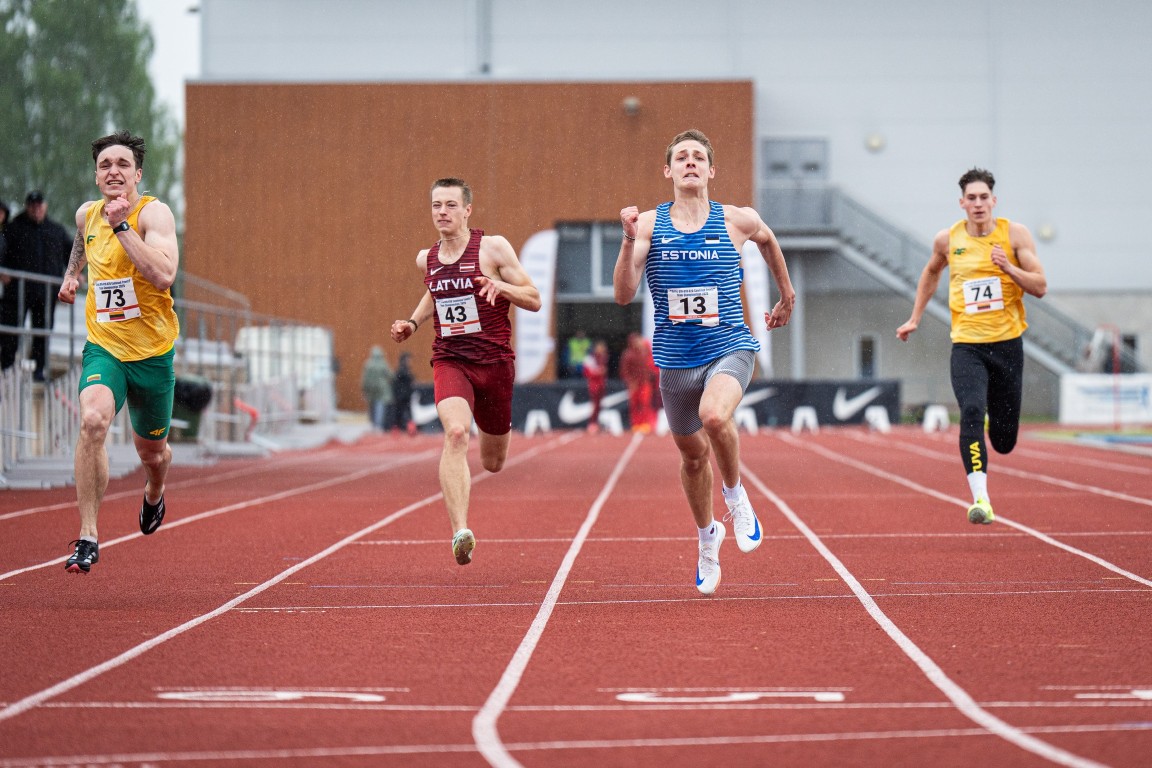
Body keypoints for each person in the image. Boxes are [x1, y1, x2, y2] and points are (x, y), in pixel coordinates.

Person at [614, 129, 795, 595]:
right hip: (676, 361)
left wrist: (786, 295)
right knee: (693, 458)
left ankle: (736, 498)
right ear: (668, 170)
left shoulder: (736, 219)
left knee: (715, 416)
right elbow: (622, 293)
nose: (690, 162)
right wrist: (625, 240)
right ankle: (706, 538)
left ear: (711, 170)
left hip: (730, 346)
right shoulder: (650, 226)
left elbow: (769, 240)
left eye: (698, 157)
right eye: (682, 157)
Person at [391, 177, 541, 566]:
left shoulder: (492, 248)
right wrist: (413, 322)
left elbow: (534, 298)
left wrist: (499, 287)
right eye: (437, 205)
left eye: (451, 205)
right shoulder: (426, 258)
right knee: (455, 433)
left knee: (493, 462)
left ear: (467, 210)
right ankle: (461, 531)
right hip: (451, 360)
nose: (443, 212)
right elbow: (435, 291)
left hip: (494, 365)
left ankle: (482, 466)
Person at [58, 130, 181, 574]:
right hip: (105, 347)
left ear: (137, 175)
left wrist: (122, 226)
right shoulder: (87, 214)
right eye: (106, 165)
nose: (114, 171)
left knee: (153, 454)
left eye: (123, 165)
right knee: (92, 420)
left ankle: (154, 492)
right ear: (96, 176)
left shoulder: (155, 215)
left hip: (151, 354)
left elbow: (164, 275)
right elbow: (80, 239)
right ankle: (88, 535)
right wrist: (71, 275)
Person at [897, 168, 1046, 526]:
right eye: (971, 198)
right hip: (967, 346)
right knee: (971, 410)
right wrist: (915, 316)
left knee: (1005, 440)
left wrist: (1007, 266)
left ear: (994, 201)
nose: (978, 204)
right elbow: (931, 273)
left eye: (984, 198)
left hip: (1007, 346)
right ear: (962, 203)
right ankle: (981, 498)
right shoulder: (948, 240)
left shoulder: (1015, 234)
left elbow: (1040, 286)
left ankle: (999, 416)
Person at [1, 190, 72, 381]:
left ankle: (38, 370)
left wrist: (74, 275)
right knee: (10, 332)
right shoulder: (13, 228)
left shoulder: (56, 230)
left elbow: (72, 254)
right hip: (16, 293)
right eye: (32, 205)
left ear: (45, 206)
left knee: (42, 331)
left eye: (39, 205)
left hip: (45, 294)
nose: (36, 209)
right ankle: (6, 369)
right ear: (27, 206)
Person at [619, 332, 658, 433]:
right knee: (635, 404)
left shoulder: (644, 352)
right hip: (634, 384)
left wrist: (649, 377)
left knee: (645, 403)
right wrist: (630, 382)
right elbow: (624, 371)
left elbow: (649, 366)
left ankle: (645, 424)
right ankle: (636, 424)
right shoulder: (627, 354)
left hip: (644, 382)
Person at [360, 345, 394, 430]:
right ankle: (378, 425)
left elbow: (364, 379)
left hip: (371, 389)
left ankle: (373, 424)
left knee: (372, 407)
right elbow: (390, 375)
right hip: (381, 389)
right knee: (380, 407)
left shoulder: (368, 364)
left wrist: (364, 390)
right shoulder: (383, 364)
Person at [582, 339, 609, 433]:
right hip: (594, 385)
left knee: (600, 405)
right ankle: (592, 423)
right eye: (600, 348)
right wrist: (599, 372)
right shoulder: (590, 359)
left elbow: (604, 370)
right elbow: (587, 373)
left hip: (601, 384)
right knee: (594, 405)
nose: (602, 349)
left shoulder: (602, 357)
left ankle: (597, 423)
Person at [391, 351, 415, 434]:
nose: (410, 361)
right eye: (408, 359)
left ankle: (401, 428)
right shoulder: (403, 371)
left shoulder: (402, 370)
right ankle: (407, 428)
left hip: (403, 395)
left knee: (401, 413)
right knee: (404, 413)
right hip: (402, 396)